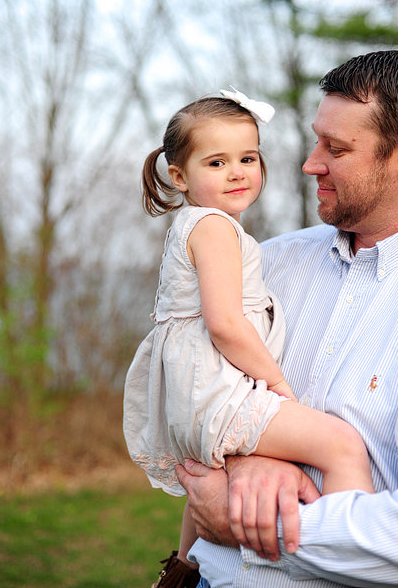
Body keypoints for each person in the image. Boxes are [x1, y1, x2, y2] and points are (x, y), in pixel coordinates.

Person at [175, 50, 398, 587]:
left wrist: (246, 525)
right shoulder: (268, 263)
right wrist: (242, 461)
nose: (310, 163)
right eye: (316, 140)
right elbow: (191, 392)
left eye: (335, 148)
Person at [124, 90, 374, 588]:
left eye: (248, 158)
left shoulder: (194, 225)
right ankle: (353, 561)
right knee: (341, 445)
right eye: (217, 162)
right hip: (219, 394)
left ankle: (184, 572)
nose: (238, 172)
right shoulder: (215, 228)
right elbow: (225, 324)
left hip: (190, 398)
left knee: (205, 475)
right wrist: (274, 381)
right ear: (179, 175)